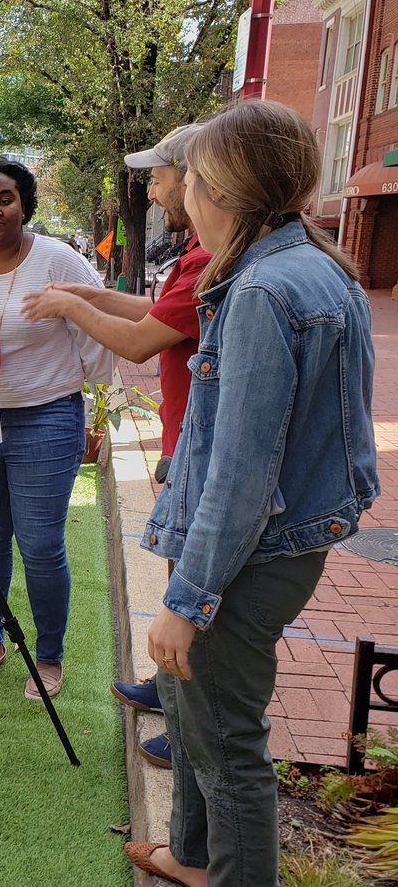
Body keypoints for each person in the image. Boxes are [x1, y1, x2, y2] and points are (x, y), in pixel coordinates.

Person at [121, 101, 378, 886]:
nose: (176, 191)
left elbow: (242, 475)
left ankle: (224, 868)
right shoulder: (309, 265)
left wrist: (187, 598)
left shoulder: (266, 289)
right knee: (200, 720)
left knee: (225, 740)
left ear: (220, 190)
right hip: (278, 541)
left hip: (252, 553)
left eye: (186, 176)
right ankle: (192, 855)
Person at [22, 123, 212, 769]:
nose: (154, 191)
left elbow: (139, 341)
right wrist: (86, 293)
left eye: (159, 177)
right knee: (183, 582)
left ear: (195, 179)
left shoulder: (215, 257)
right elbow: (155, 314)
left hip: (200, 451)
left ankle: (192, 725)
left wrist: (69, 309)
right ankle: (168, 694)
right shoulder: (195, 253)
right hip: (186, 440)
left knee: (197, 597)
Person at [0, 158, 114, 699]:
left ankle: (48, 654)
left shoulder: (57, 259)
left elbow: (95, 325)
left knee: (40, 544)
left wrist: (90, 389)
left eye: (6, 198)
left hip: (46, 417)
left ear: (25, 204)